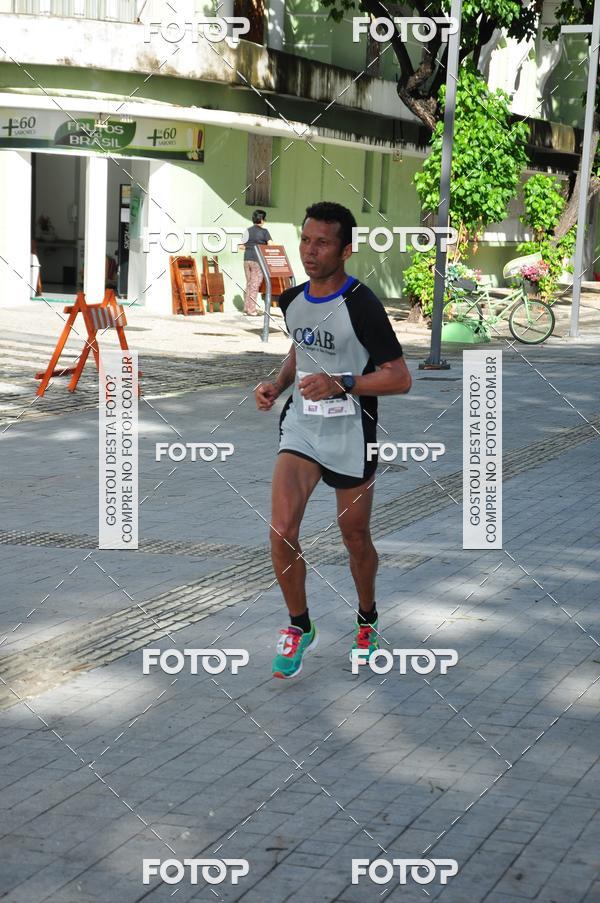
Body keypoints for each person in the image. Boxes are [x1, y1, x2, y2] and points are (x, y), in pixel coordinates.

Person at [254, 201, 412, 679]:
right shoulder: (293, 299)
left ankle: (367, 617)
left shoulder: (362, 305)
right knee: (281, 530)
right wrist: (278, 385)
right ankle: (299, 625)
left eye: (322, 242)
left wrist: (343, 381)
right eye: (305, 239)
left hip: (350, 432)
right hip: (302, 428)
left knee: (355, 537)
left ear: (346, 249)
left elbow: (399, 377)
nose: (310, 250)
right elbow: (300, 347)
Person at [242, 209, 272, 316]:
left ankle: (246, 308)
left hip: (246, 259)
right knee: (254, 285)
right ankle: (251, 310)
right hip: (257, 260)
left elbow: (242, 246)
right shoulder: (264, 232)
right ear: (262, 219)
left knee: (249, 283)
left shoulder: (247, 231)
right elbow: (270, 246)